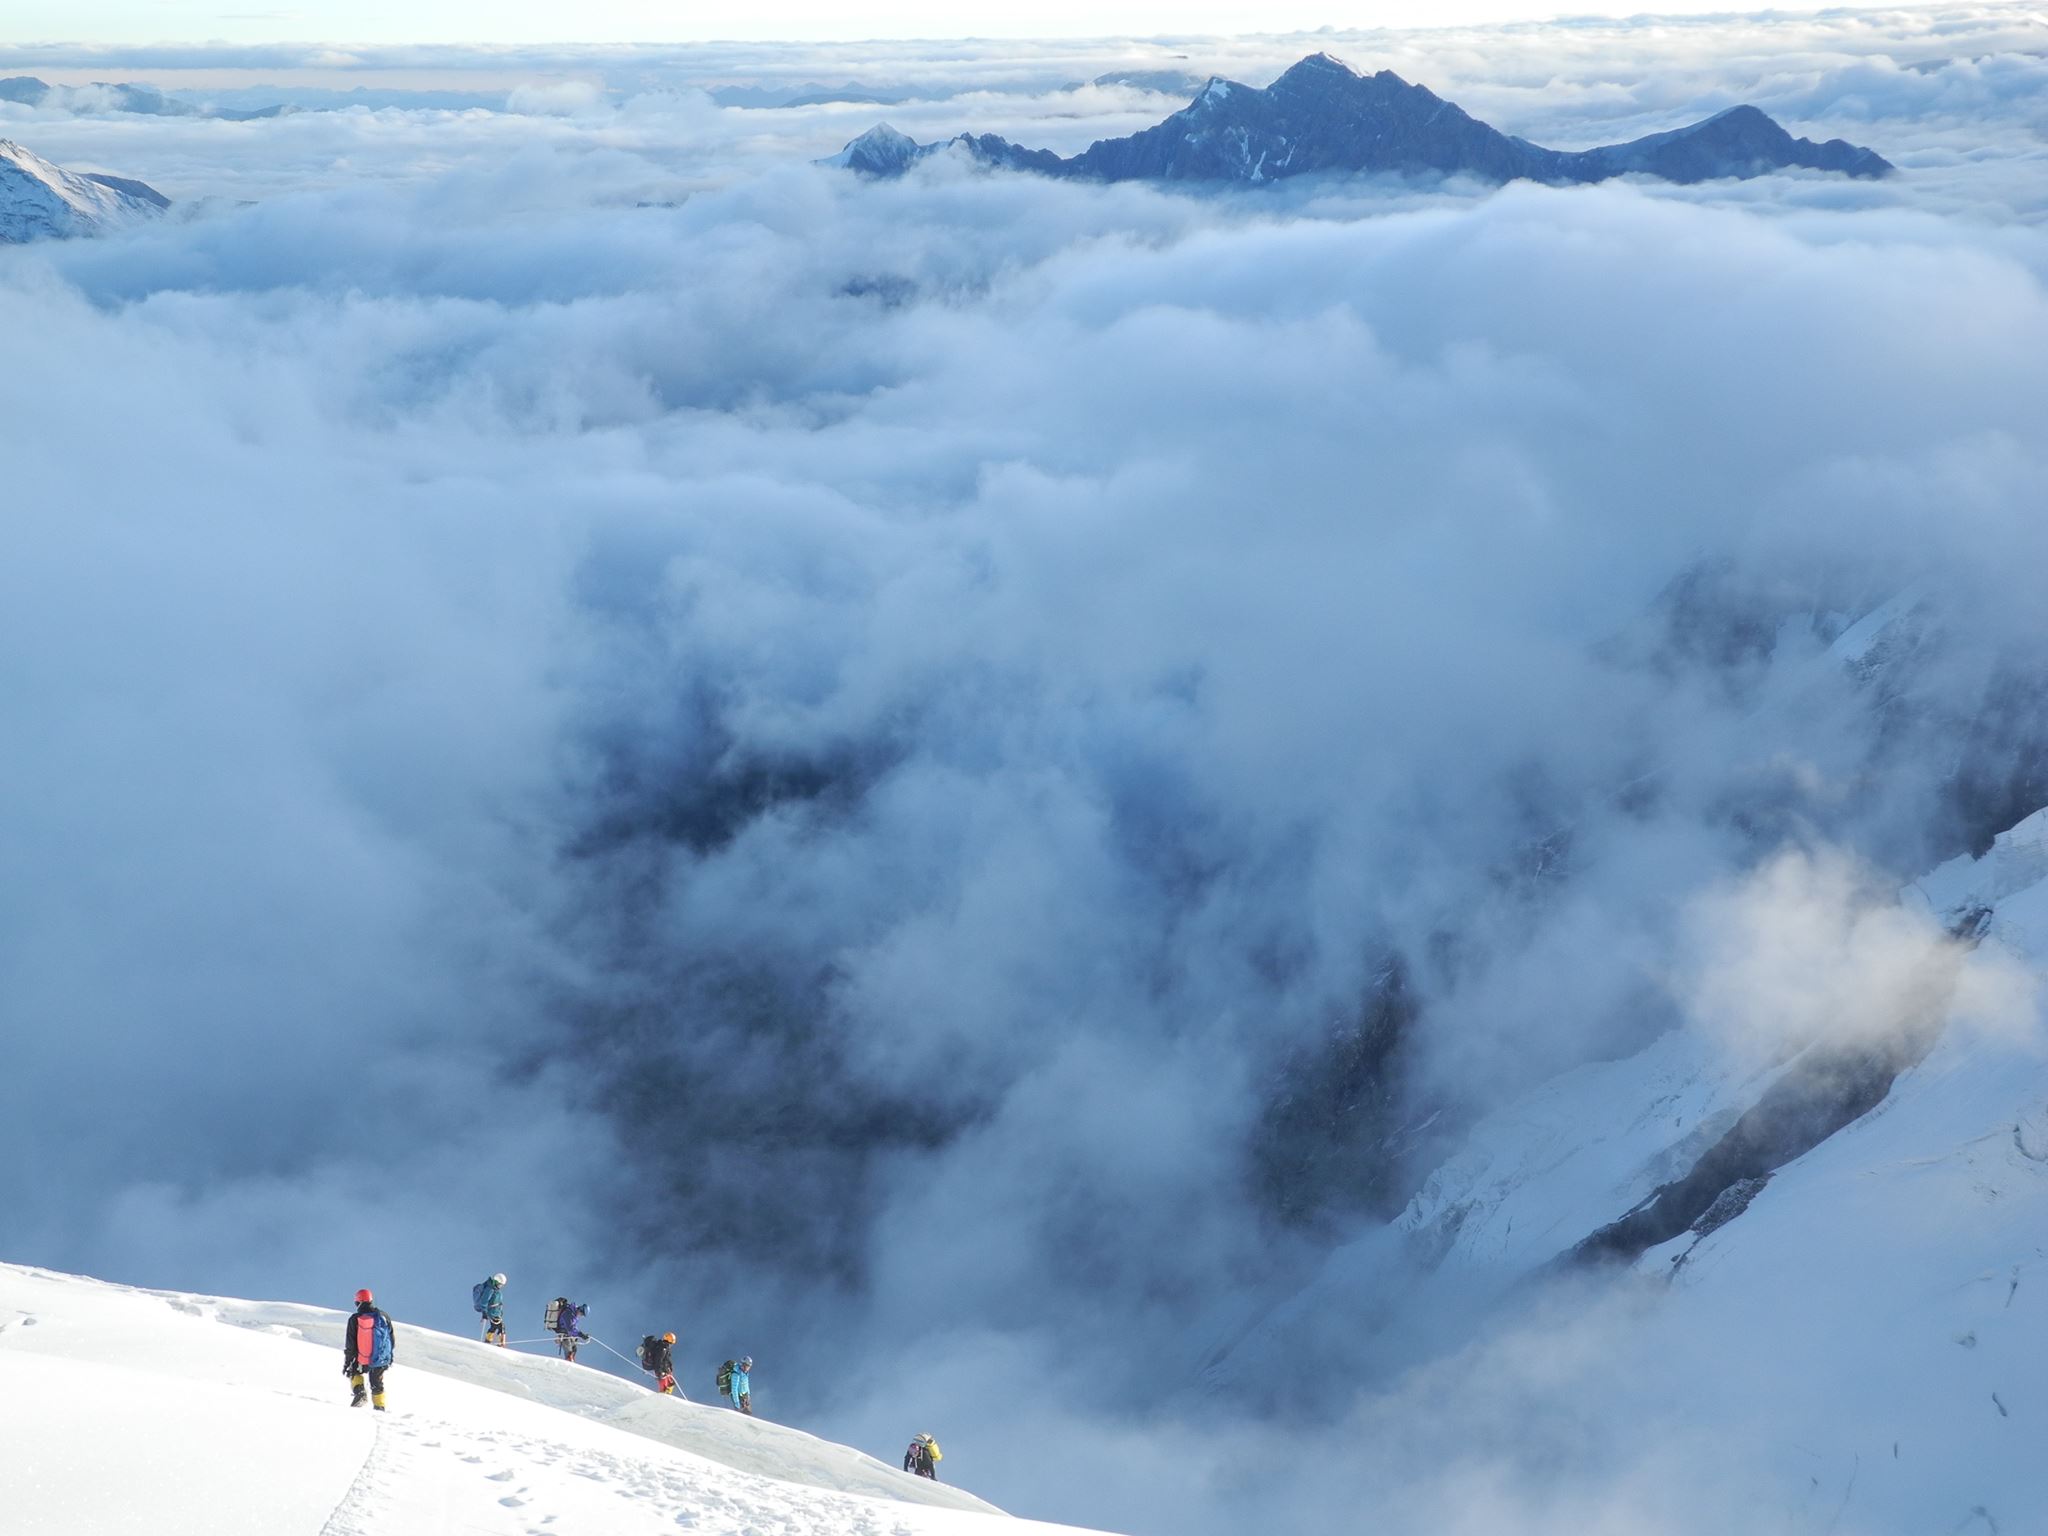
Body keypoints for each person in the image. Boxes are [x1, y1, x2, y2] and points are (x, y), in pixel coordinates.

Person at [343, 1288, 397, 1411]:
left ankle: (360, 1393)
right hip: (381, 1357)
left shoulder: (355, 1319)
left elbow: (350, 1344)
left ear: (358, 1302)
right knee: (377, 1383)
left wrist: (348, 1362)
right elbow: (391, 1338)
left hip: (363, 1357)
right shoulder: (384, 1316)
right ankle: (380, 1407)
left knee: (354, 1372)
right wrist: (388, 1356)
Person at [472, 1273, 507, 1346]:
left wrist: (500, 1312)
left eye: (501, 1285)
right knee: (501, 1327)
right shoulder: (490, 1289)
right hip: (492, 1312)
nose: (500, 1286)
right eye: (499, 1284)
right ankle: (501, 1343)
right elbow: (484, 1301)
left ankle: (488, 1340)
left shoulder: (495, 1290)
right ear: (496, 1282)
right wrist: (484, 1313)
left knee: (494, 1327)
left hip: (496, 1312)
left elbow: (498, 1302)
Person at [640, 1331, 678, 1395]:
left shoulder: (663, 1347)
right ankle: (663, 1397)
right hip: (661, 1370)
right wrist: (659, 1372)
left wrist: (669, 1368)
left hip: (664, 1370)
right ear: (671, 1341)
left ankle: (666, 1395)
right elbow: (658, 1360)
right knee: (664, 1388)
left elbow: (665, 1360)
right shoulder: (663, 1348)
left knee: (670, 1384)